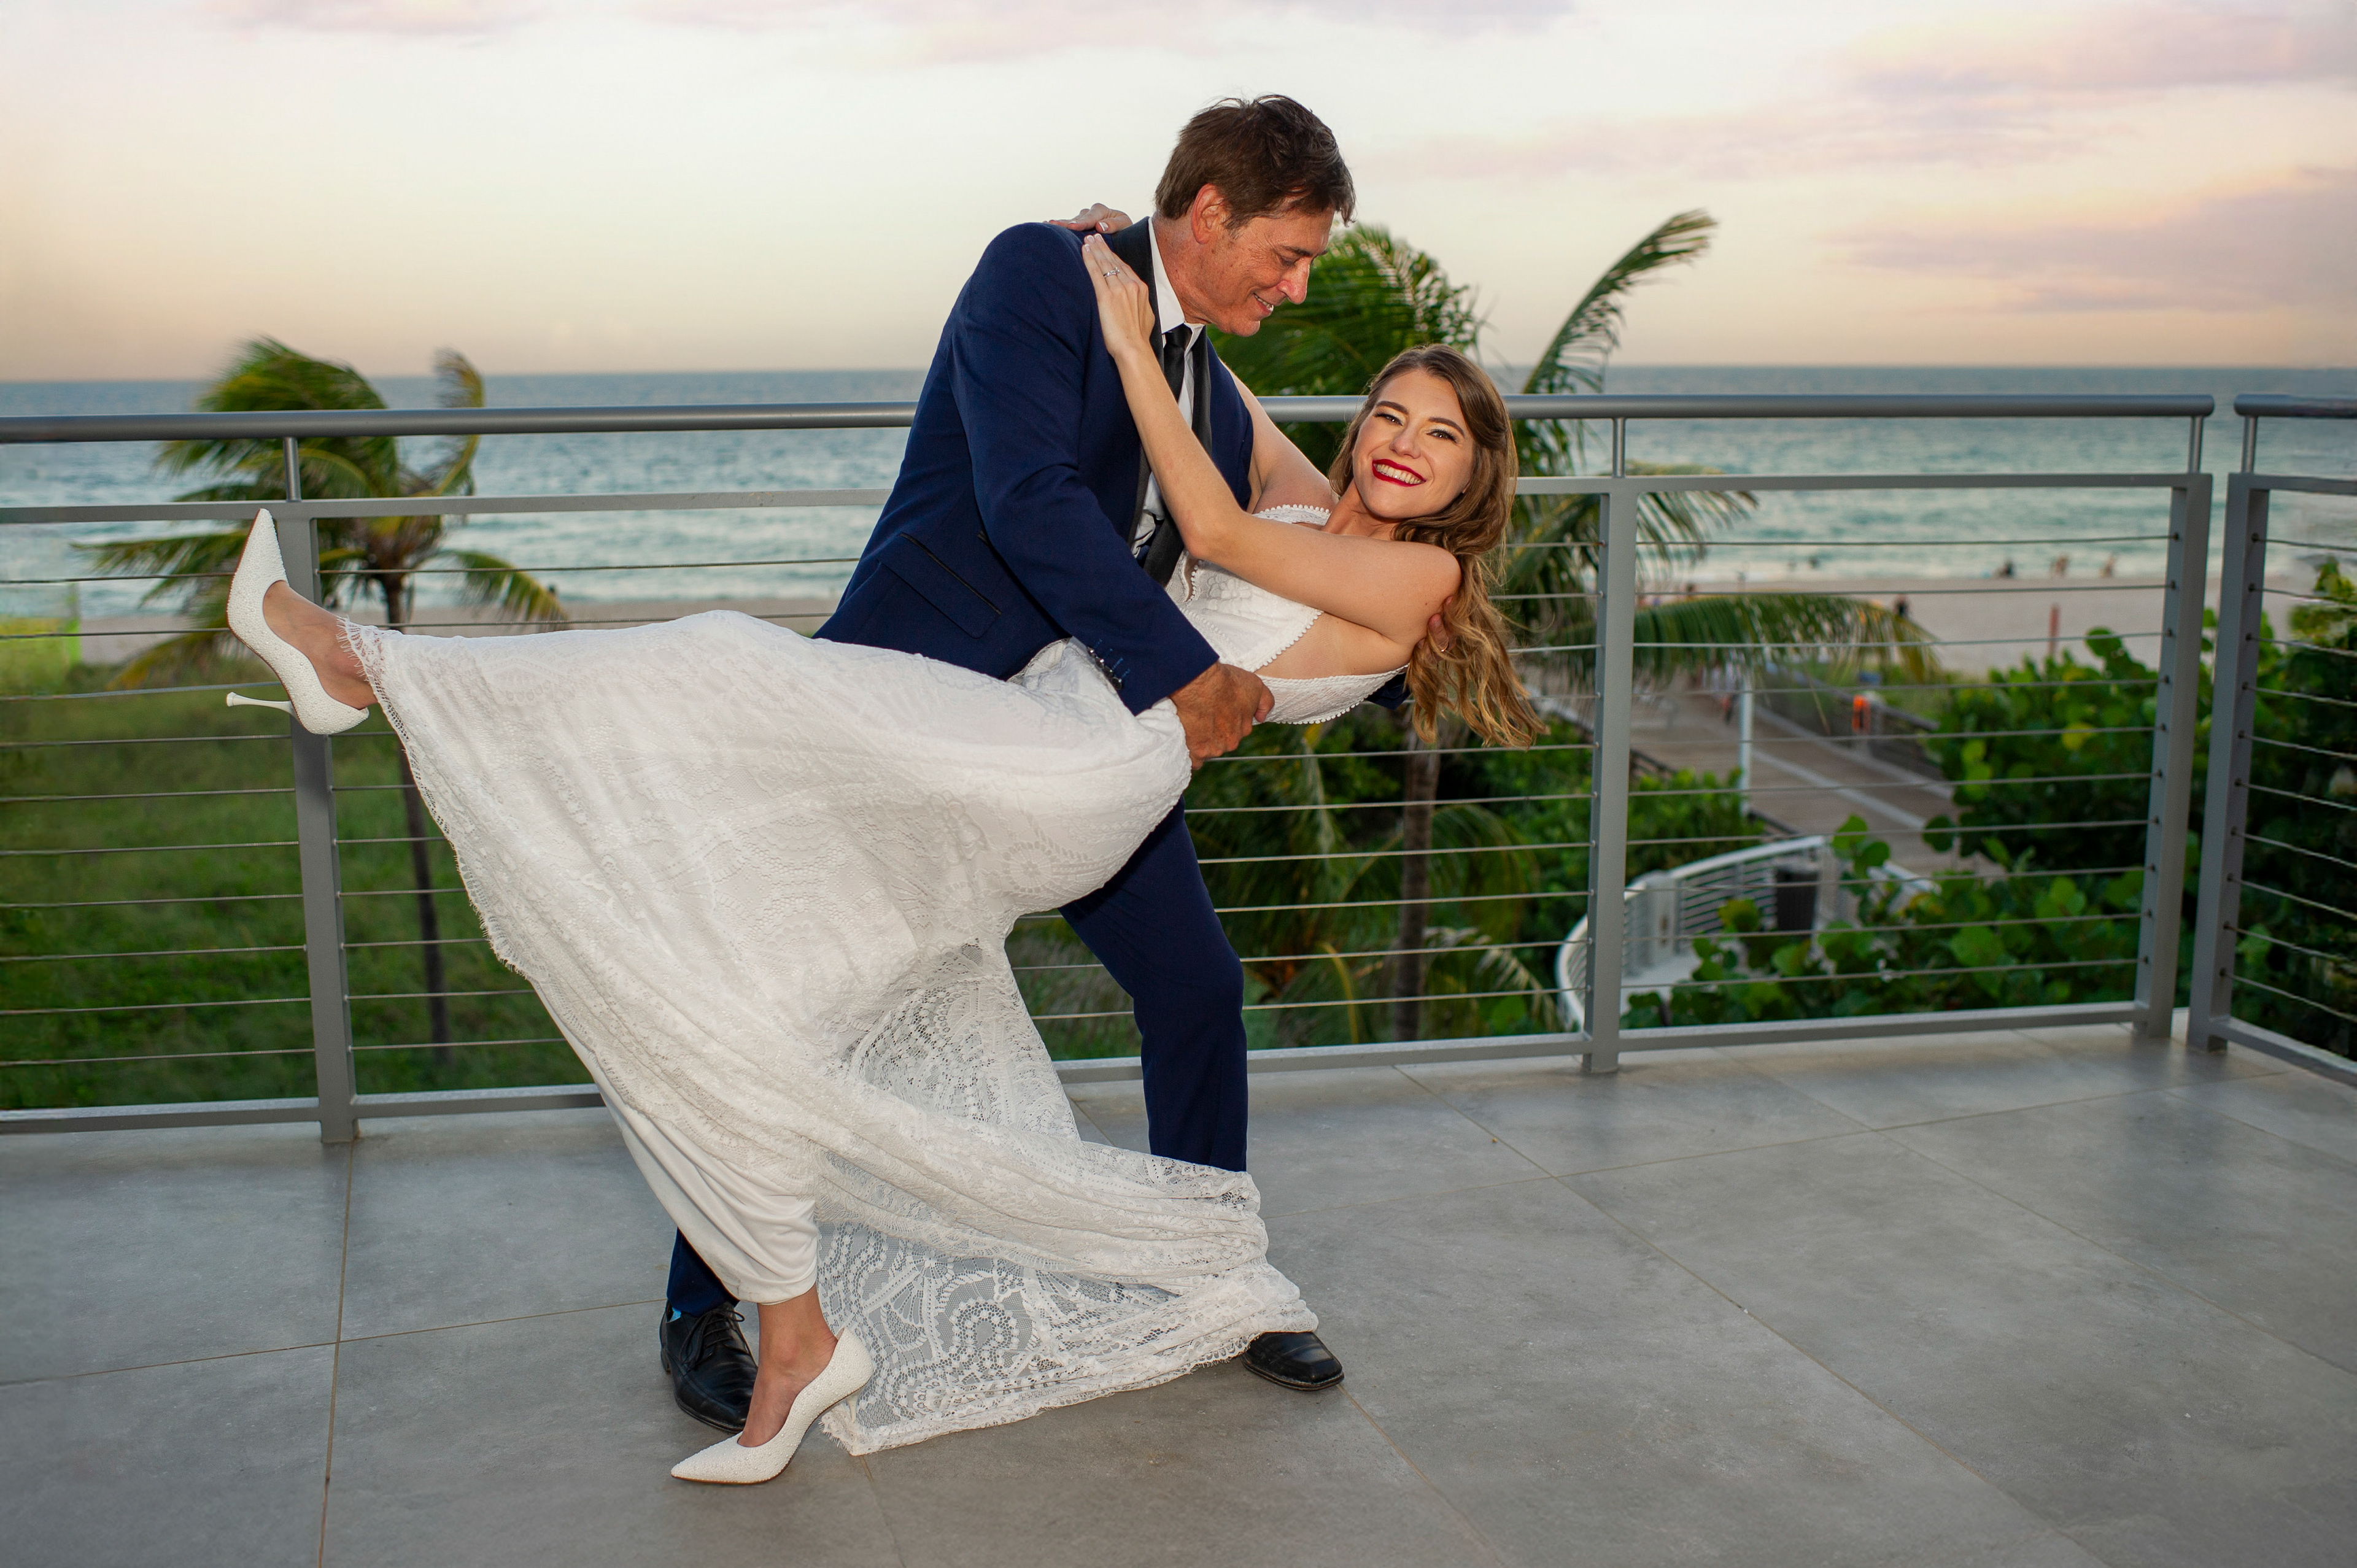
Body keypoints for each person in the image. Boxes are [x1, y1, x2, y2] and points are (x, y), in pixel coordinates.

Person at [223, 296, 1535, 1481]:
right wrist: (1124, 273)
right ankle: (722, 1309)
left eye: (1442, 436)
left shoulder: (1418, 575)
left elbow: (1210, 527)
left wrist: (1129, 337)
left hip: (1074, 767)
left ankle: (1219, 1278)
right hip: (1050, 732)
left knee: (732, 666)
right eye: (1390, 414)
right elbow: (1220, 378)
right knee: (823, 982)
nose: (1403, 444)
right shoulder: (1316, 503)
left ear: (1477, 478)